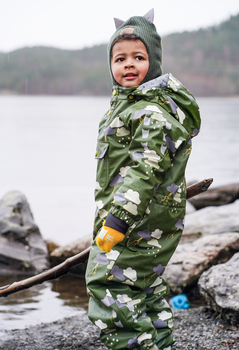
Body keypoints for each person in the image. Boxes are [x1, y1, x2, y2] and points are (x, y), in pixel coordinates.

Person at [85, 9, 201, 350]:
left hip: (135, 220)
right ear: (110, 65)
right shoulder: (130, 105)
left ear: (155, 61)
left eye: (139, 56)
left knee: (108, 282)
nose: (129, 65)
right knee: (145, 285)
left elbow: (145, 170)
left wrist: (117, 220)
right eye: (120, 58)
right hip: (149, 220)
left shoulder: (150, 112)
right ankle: (161, 342)